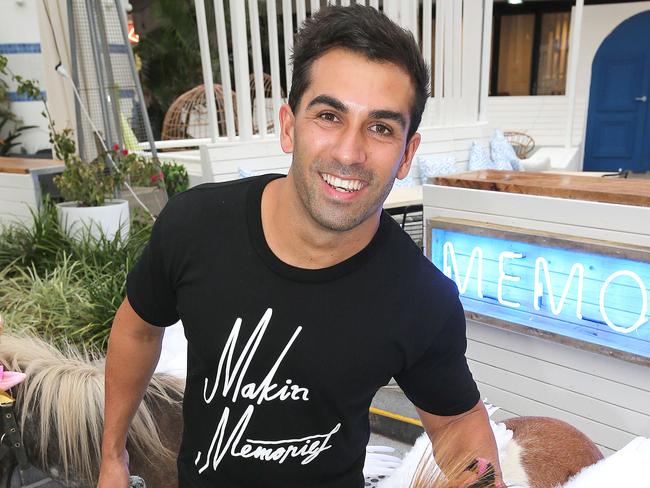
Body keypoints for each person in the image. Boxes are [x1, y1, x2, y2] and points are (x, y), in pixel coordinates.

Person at [99, 5, 503, 488]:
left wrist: (486, 481)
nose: (349, 153)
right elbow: (139, 329)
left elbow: (457, 423)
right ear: (289, 126)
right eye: (329, 116)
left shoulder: (420, 297)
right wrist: (112, 457)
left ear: (406, 154)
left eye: (380, 127)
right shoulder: (196, 226)